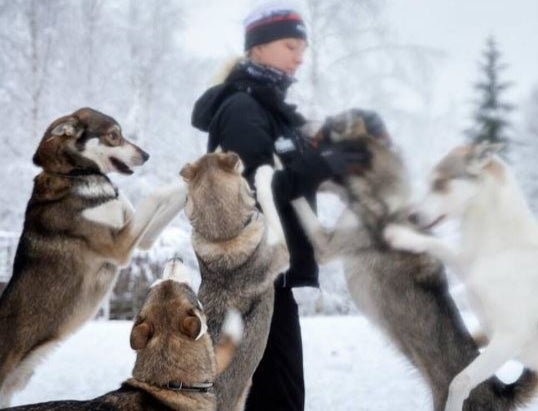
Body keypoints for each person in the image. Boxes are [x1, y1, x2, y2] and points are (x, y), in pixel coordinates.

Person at [191, 3, 369, 410]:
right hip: (254, 278)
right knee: (276, 399)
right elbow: (251, 189)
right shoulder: (242, 109)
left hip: (269, 276)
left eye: (303, 47)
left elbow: (292, 176)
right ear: (257, 49)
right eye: (290, 45)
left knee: (271, 396)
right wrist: (324, 163)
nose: (299, 56)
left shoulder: (273, 111)